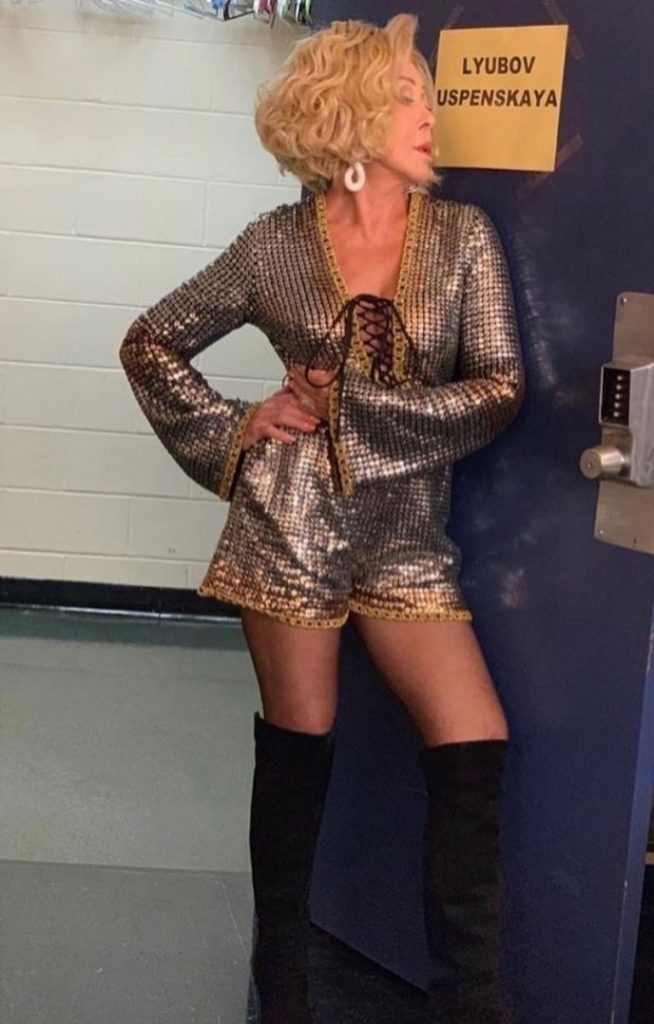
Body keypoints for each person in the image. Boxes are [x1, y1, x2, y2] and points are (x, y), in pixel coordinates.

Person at [119, 13, 525, 1024]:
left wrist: (366, 410)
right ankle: (287, 981)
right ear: (350, 117)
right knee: (300, 748)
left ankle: (470, 1002)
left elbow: (501, 389)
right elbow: (151, 341)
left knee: (474, 740)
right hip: (293, 523)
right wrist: (238, 426)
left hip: (407, 536)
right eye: (408, 96)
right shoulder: (275, 245)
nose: (431, 115)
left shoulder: (462, 237)